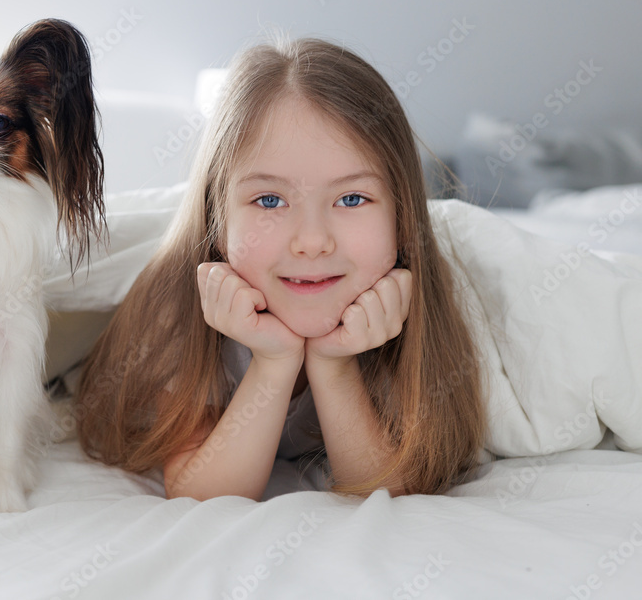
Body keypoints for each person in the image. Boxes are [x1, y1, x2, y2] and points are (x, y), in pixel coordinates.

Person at [74, 37, 485, 501]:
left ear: (402, 215)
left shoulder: (398, 307)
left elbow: (393, 490)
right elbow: (201, 492)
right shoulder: (182, 300)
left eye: (351, 198)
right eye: (270, 200)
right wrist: (273, 363)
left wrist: (334, 367)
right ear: (217, 216)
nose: (311, 241)